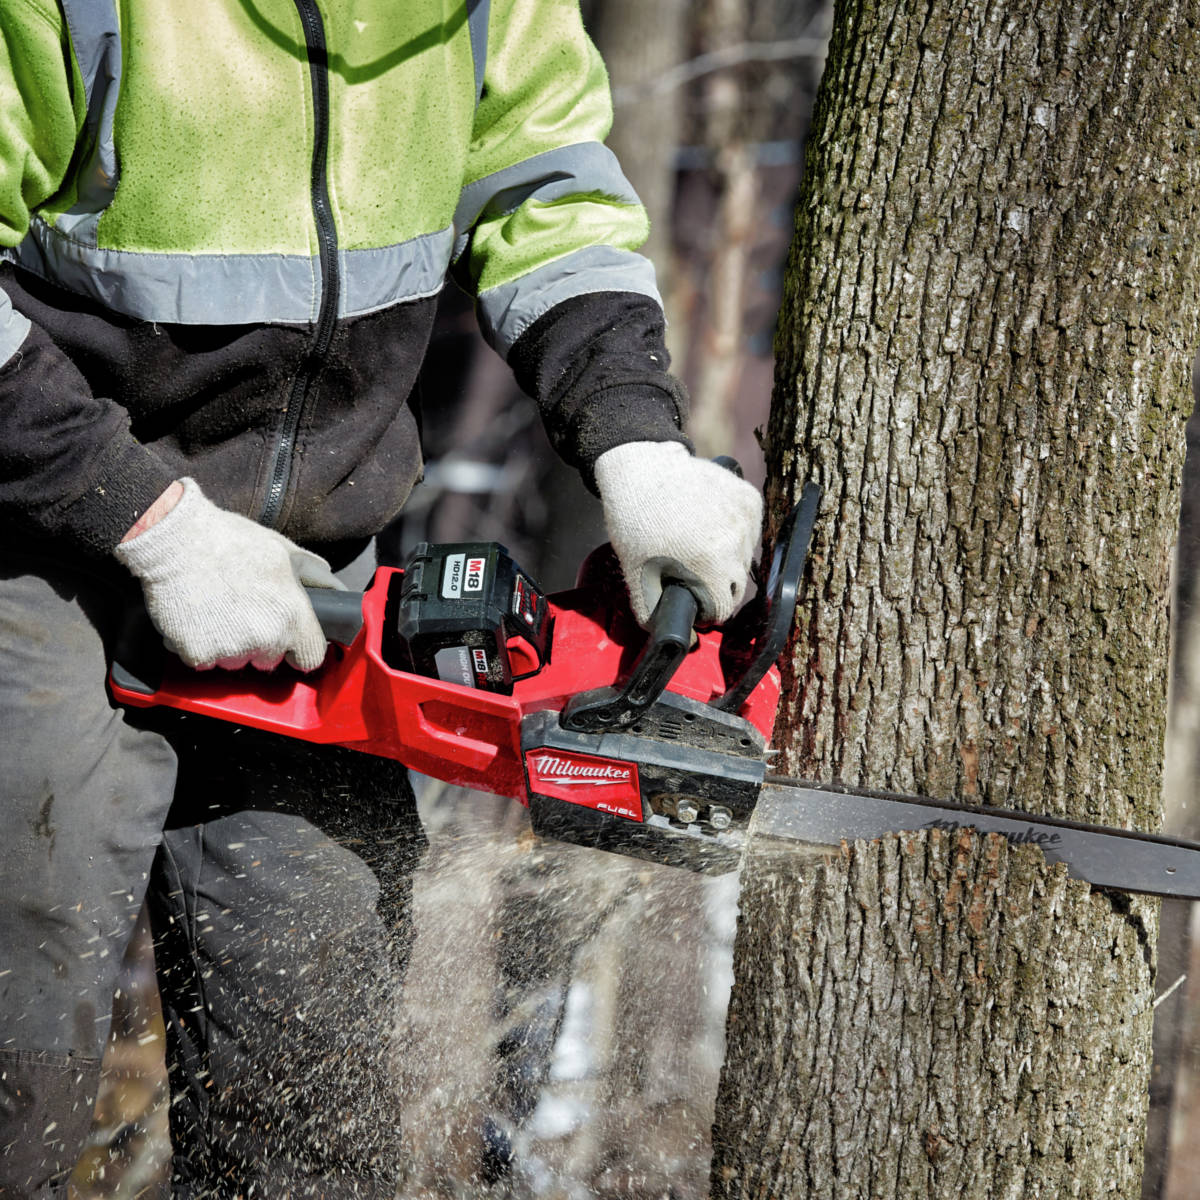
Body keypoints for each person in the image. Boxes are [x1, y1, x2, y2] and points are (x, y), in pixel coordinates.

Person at [0, 2, 763, 1195]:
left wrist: (635, 441)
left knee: (319, 1066)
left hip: (311, 574)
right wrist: (149, 520)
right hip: (40, 538)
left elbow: (540, 185)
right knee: (17, 1055)